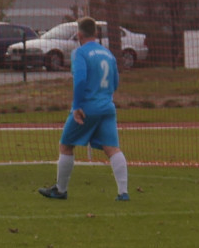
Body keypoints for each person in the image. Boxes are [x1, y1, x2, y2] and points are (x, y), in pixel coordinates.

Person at [38, 16, 130, 201]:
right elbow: (116, 82)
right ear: (96, 33)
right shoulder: (108, 53)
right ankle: (123, 192)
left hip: (88, 107)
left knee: (66, 146)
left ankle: (61, 190)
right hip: (107, 107)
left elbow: (80, 80)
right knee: (112, 149)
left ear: (79, 34)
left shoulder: (80, 53)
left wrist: (77, 107)